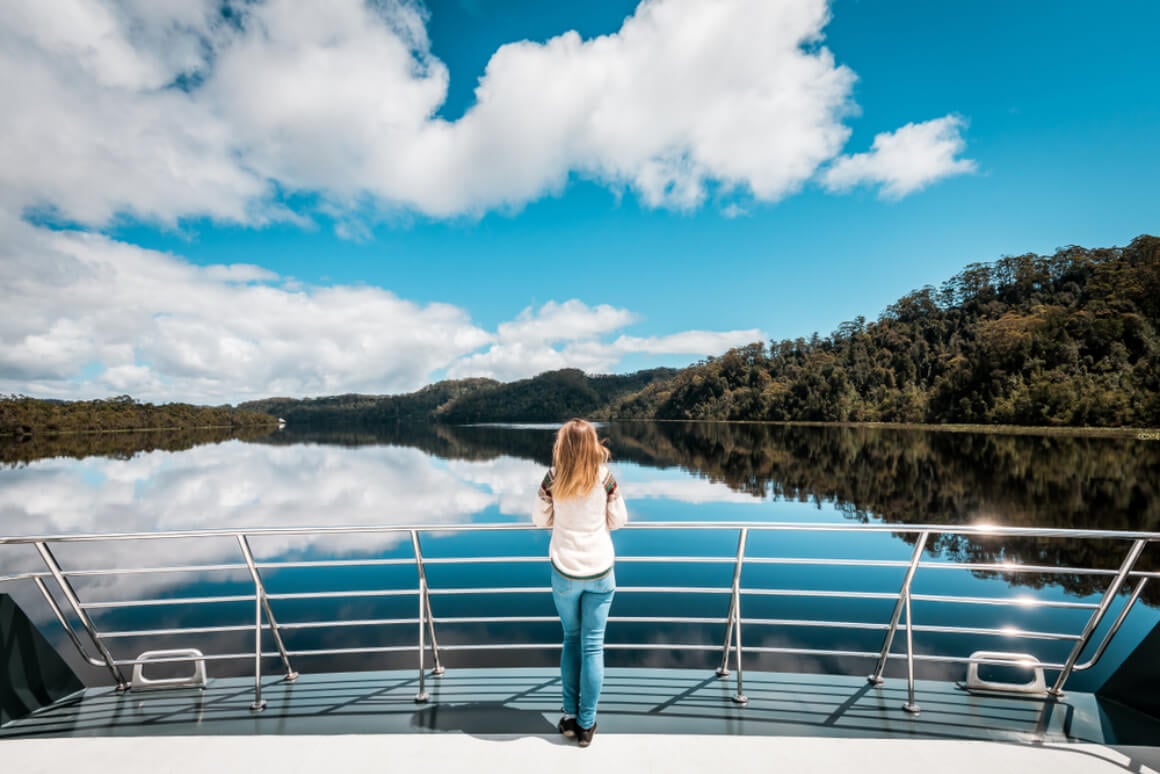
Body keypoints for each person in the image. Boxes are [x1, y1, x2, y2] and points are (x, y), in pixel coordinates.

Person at [532, 418, 628, 748]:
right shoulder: (605, 477)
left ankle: (570, 718)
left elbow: (538, 519)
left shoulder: (553, 476)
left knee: (571, 639)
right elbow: (619, 521)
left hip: (565, 571)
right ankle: (587, 725)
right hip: (600, 571)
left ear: (563, 444)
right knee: (593, 645)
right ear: (593, 443)